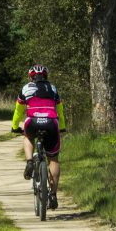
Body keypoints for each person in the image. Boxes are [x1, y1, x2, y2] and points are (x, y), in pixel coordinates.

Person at [11, 63, 66, 210]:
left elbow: (18, 111)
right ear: (46, 76)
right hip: (51, 123)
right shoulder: (53, 89)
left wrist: (15, 126)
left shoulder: (26, 88)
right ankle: (53, 195)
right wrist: (62, 127)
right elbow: (60, 111)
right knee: (53, 159)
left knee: (27, 136)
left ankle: (29, 162)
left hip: (33, 121)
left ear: (31, 77)